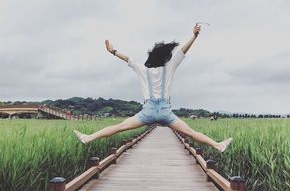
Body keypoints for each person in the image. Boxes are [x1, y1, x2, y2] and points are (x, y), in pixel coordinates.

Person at [74, 23, 232, 152]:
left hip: (148, 111)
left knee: (119, 127)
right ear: (165, 58)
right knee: (190, 132)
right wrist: (194, 36)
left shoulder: (143, 70)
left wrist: (112, 51)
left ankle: (88, 138)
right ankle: (218, 145)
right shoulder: (169, 67)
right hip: (165, 111)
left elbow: (128, 59)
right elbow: (183, 50)